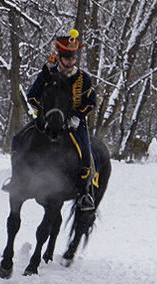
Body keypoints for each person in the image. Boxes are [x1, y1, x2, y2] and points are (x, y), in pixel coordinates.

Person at [13, 29, 98, 210]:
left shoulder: (84, 79)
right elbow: (32, 97)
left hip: (74, 122)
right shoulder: (47, 75)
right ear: (58, 57)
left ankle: (84, 192)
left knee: (85, 151)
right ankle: (16, 179)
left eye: (73, 58)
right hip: (47, 120)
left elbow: (91, 102)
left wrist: (77, 116)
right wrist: (44, 113)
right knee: (18, 138)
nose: (70, 61)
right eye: (67, 58)